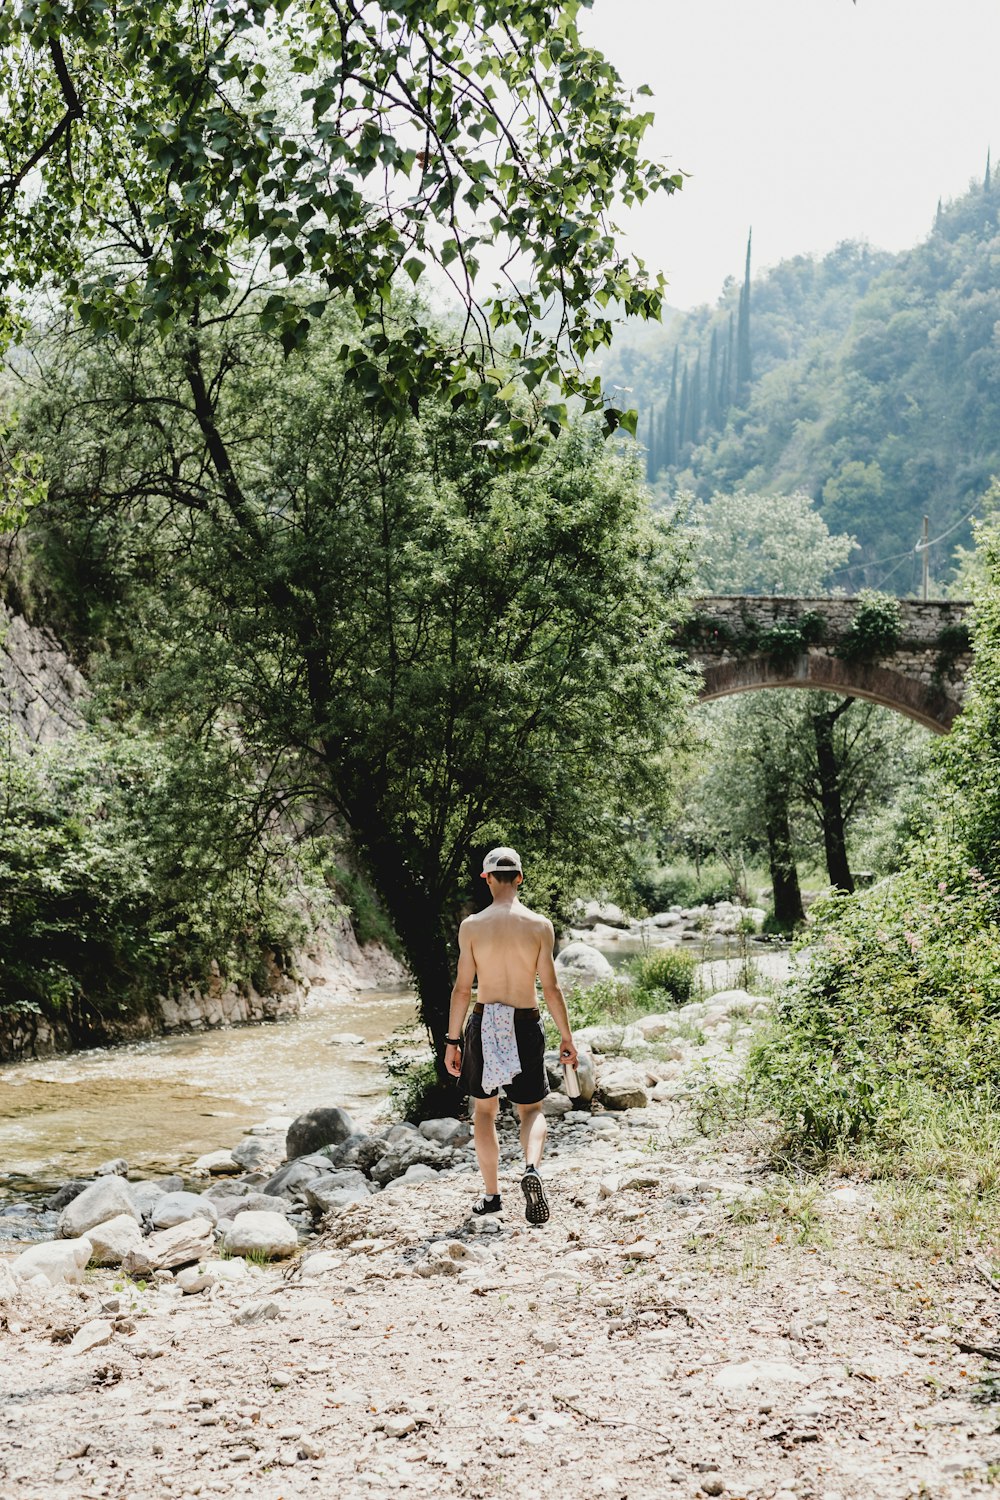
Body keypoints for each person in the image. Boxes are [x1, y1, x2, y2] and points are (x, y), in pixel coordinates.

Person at [444, 846, 578, 1225]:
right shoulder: (539, 926)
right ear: (519, 877)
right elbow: (550, 988)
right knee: (531, 1108)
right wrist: (567, 1037)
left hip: (486, 1022)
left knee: (484, 1111)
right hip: (524, 1021)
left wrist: (453, 1042)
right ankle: (531, 1167)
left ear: (486, 879)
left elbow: (460, 990)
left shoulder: (471, 926)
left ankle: (492, 1196)